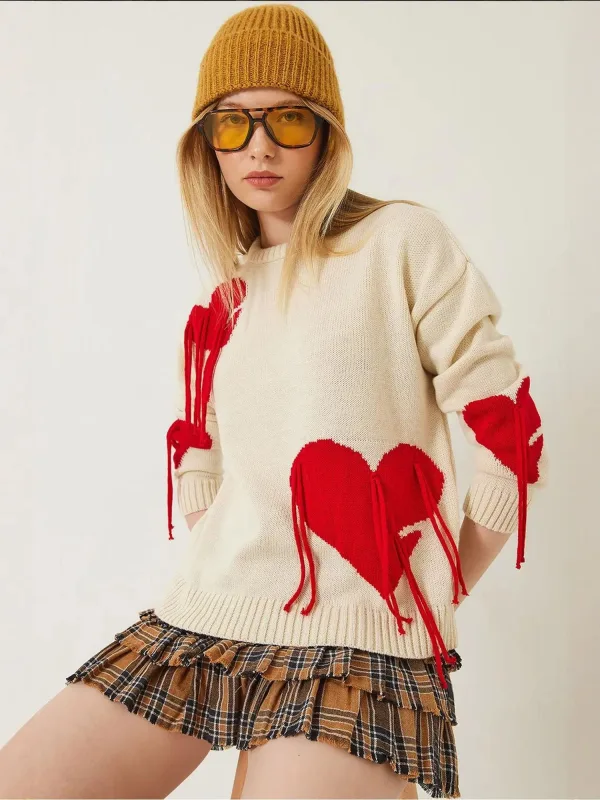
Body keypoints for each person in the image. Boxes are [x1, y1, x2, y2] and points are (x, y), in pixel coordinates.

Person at [0, 4, 548, 799]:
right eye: (233, 124)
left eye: (288, 119)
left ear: (326, 134)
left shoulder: (400, 243)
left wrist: (440, 582)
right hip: (206, 621)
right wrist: (228, 550)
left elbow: (510, 432)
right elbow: (198, 453)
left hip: (359, 649)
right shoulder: (225, 296)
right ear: (207, 145)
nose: (259, 146)